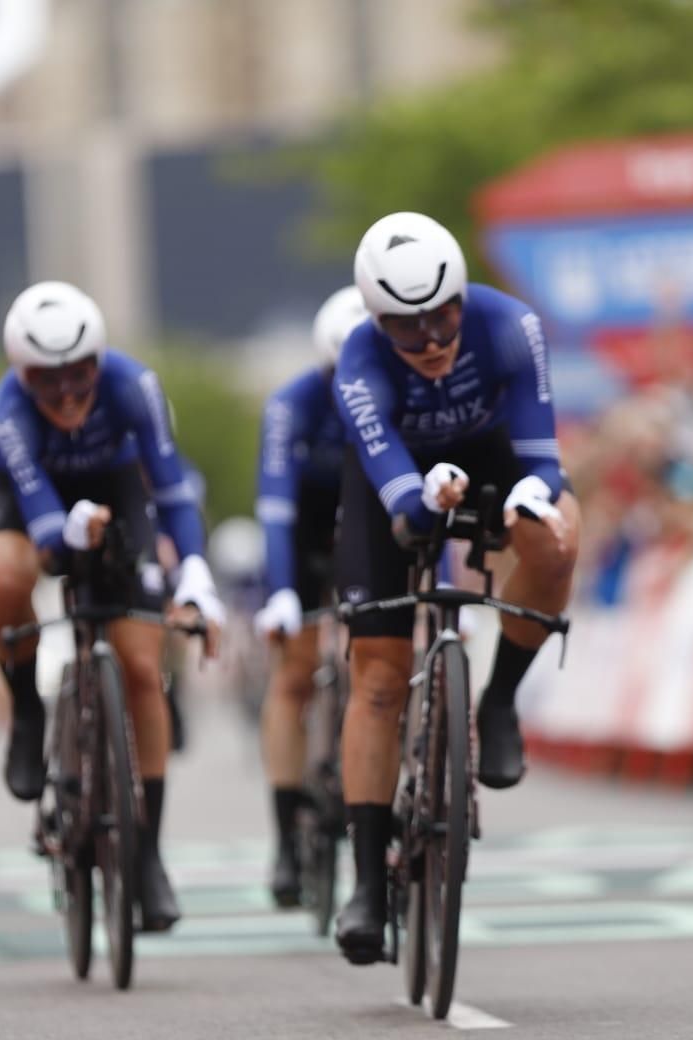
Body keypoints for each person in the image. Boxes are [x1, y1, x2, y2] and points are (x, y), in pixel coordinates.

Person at [331, 212, 580, 964]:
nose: (434, 340)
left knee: (559, 535)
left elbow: (545, 459)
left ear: (464, 297)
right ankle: (369, 882)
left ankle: (500, 700)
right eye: (409, 329)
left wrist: (527, 500)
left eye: (444, 316)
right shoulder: (358, 364)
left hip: (495, 455)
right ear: (378, 321)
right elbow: (401, 501)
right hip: (397, 480)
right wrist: (426, 496)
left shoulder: (511, 326)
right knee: (376, 678)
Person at [0, 280, 224, 933]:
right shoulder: (7, 408)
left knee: (143, 668)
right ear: (20, 375)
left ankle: (148, 856)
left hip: (118, 489)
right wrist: (65, 534)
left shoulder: (133, 386)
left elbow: (170, 487)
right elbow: (37, 512)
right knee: (3, 574)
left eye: (79, 375)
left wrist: (195, 574)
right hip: (31, 498)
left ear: (101, 360)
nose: (66, 395)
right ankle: (28, 710)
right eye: (46, 381)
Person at [252, 285, 367, 908]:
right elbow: (274, 506)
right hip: (304, 530)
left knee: (384, 652)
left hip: (370, 522)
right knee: (293, 675)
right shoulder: (291, 403)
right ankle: (285, 840)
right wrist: (281, 592)